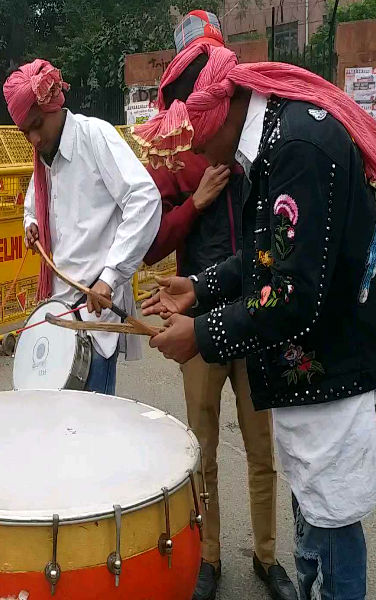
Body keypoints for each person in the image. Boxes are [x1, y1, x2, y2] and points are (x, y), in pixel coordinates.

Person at [136, 40, 376, 600]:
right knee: (317, 515)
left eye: (194, 134)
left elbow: (289, 292)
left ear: (221, 111)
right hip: (315, 370)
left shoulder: (296, 146)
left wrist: (201, 333)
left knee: (333, 528)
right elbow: (270, 254)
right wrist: (199, 285)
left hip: (332, 372)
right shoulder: (276, 138)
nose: (194, 147)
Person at [143, 12, 290, 600]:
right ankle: (207, 557)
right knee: (201, 448)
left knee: (262, 448)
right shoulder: (178, 150)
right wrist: (198, 202)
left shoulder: (257, 140)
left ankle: (266, 557)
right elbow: (154, 241)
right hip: (198, 318)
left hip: (255, 313)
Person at [4, 59, 161, 394]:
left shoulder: (95, 136)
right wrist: (31, 222)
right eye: (24, 132)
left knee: (91, 430)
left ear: (54, 107)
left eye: (36, 125)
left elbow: (144, 198)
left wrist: (110, 277)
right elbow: (34, 201)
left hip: (95, 309)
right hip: (60, 308)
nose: (32, 138)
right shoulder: (44, 157)